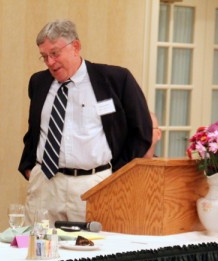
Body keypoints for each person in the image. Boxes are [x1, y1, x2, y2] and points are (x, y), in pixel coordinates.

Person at [18, 19, 152, 225]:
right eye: (44, 57)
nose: (50, 63)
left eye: (55, 54)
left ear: (76, 47)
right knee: (38, 253)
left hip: (93, 184)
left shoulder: (115, 79)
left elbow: (141, 131)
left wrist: (115, 174)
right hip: (45, 185)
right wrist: (29, 167)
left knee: (91, 250)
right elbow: (35, 130)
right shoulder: (39, 82)